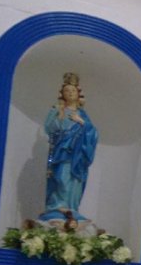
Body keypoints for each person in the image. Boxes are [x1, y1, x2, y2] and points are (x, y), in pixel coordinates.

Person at [39, 72, 98, 229]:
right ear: (62, 94)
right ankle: (57, 206)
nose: (70, 93)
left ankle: (72, 207)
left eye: (73, 91)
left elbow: (93, 133)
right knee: (61, 177)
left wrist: (81, 122)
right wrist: (59, 115)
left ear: (78, 94)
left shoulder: (83, 114)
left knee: (73, 181)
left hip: (77, 155)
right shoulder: (58, 110)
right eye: (67, 91)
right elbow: (49, 128)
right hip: (61, 152)